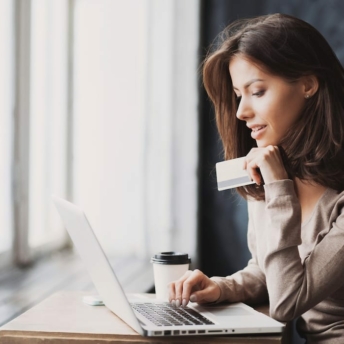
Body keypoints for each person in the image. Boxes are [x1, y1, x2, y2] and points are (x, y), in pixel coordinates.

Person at [168, 13, 344, 343]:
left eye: (257, 91)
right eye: (238, 94)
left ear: (308, 84)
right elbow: (270, 270)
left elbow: (286, 302)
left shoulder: (282, 182)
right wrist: (221, 287)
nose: (241, 112)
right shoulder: (271, 171)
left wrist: (278, 188)